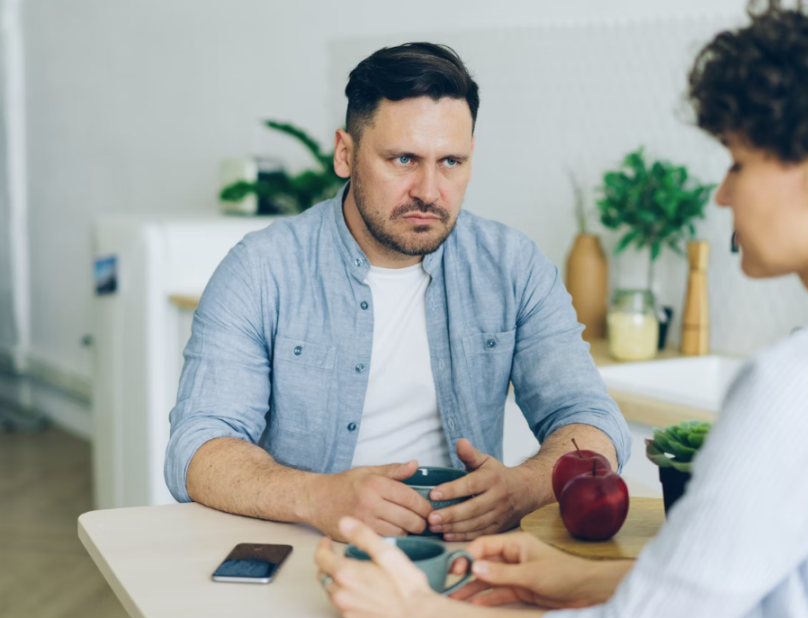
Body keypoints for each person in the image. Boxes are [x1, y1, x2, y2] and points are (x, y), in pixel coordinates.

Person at [315, 1, 808, 617]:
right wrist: (587, 578)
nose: (724, 192)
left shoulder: (807, 384)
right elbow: (803, 578)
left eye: (739, 162)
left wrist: (421, 612)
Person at [163, 42, 631, 542]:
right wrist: (318, 496)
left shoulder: (512, 266)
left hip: (462, 558)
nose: (429, 190)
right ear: (345, 154)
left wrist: (526, 486)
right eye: (404, 158)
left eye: (451, 161)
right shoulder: (261, 270)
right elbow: (197, 447)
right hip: (311, 546)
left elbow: (591, 420)